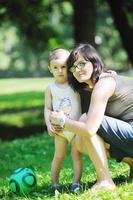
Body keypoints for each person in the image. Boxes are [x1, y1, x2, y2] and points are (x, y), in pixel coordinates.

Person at [50, 44, 133, 191]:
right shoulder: (98, 84)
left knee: (86, 122)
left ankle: (105, 181)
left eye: (82, 63)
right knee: (80, 141)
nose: (77, 69)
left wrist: (62, 121)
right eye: (73, 67)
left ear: (94, 62)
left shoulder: (104, 84)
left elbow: (89, 129)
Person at [44, 48, 82, 192]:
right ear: (50, 69)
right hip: (59, 130)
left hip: (76, 128)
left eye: (63, 66)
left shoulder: (75, 84)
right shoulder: (50, 88)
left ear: (70, 66)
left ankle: (76, 183)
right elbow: (47, 108)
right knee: (58, 157)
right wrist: (48, 124)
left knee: (76, 156)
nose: (60, 70)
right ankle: (54, 184)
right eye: (55, 67)